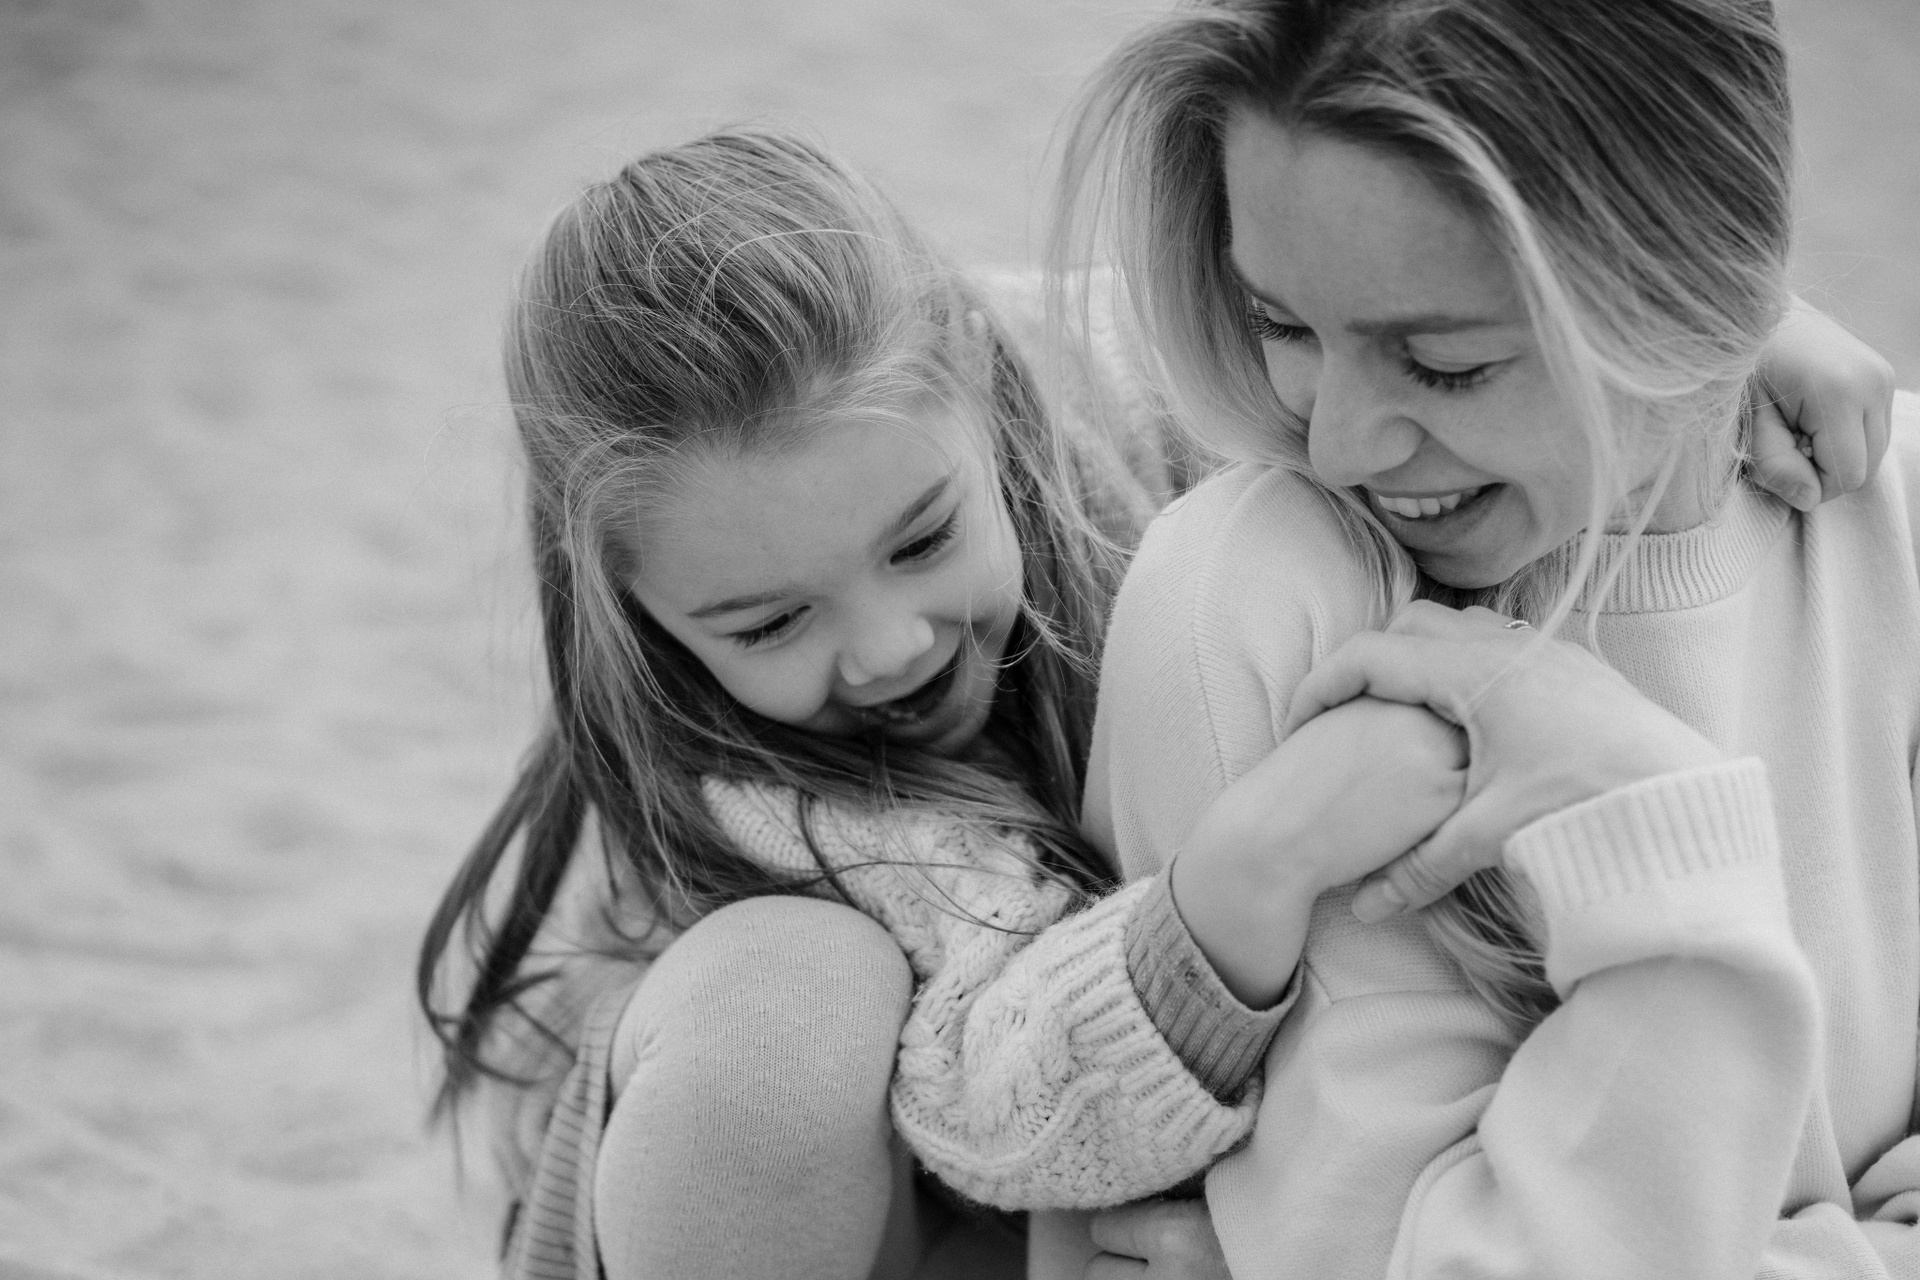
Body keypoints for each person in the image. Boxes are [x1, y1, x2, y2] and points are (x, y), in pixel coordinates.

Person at [416, 122, 1887, 1280]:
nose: (885, 649)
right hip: (855, 1194)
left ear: (976, 384)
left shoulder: (1078, 373)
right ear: (636, 609)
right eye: (768, 622)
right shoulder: (758, 781)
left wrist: (1708, 327)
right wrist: (1250, 867)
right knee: (789, 1008)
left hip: (1115, 1189)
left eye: (924, 539)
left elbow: (1373, 303)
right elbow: (987, 1106)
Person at [1054, 0, 1917, 1277]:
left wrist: (1642, 801)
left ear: (1701, 282)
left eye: (1445, 364)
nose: (1338, 442)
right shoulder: (1247, 607)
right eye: (1285, 324)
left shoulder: (1893, 525)